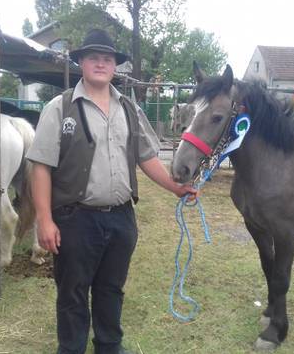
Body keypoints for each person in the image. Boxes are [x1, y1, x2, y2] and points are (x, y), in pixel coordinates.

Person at [26, 29, 197, 354]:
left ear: (115, 67)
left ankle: (109, 346)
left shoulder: (129, 109)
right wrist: (45, 220)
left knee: (111, 289)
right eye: (94, 58)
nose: (101, 64)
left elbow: (146, 157)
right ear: (82, 63)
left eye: (108, 59)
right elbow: (41, 167)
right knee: (73, 292)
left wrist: (176, 188)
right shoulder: (59, 108)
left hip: (121, 219)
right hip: (75, 219)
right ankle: (72, 349)